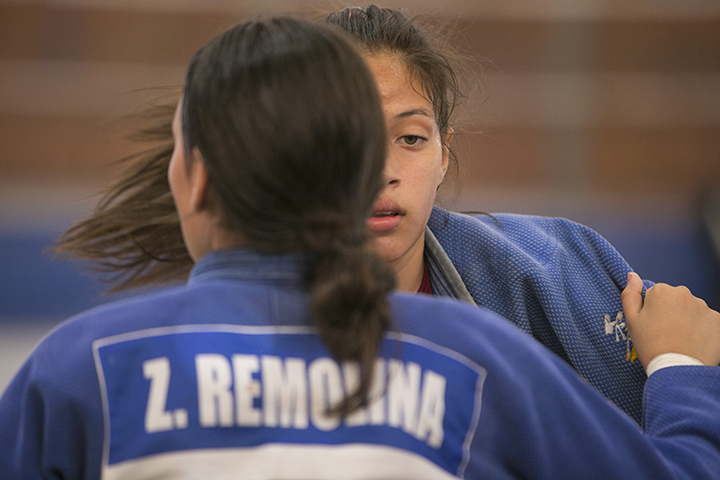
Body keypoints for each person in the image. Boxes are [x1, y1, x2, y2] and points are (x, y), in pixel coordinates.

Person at [3, 14, 720, 480]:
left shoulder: (76, 369)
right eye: (368, 141)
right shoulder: (472, 361)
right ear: (338, 163)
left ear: (192, 180)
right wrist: (685, 370)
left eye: (412, 135)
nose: (388, 167)